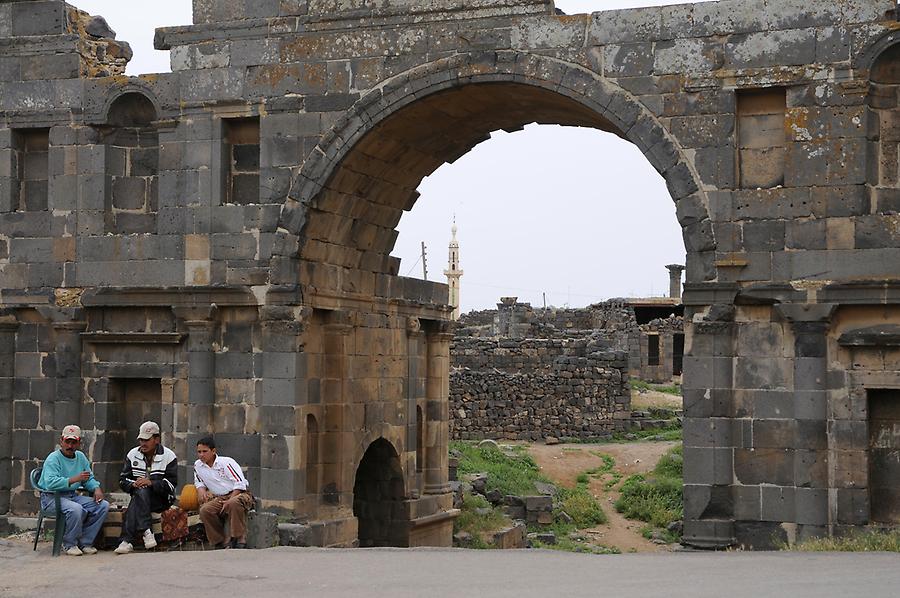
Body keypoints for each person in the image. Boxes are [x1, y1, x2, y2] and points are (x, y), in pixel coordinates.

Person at [37, 425, 110, 556]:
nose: (70, 446)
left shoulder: (80, 457)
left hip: (71, 495)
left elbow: (88, 478)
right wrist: (74, 479)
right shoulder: (53, 458)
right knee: (76, 509)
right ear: (61, 441)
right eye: (67, 442)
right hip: (52, 498)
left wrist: (96, 488)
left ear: (79, 443)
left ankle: (85, 542)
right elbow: (50, 483)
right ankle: (69, 543)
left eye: (73, 442)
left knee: (103, 505)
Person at [114, 421, 177, 555]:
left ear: (156, 439)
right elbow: (122, 480)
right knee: (140, 492)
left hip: (161, 499)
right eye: (141, 439)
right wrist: (133, 484)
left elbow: (171, 484)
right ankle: (146, 532)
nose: (143, 443)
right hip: (140, 496)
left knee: (141, 492)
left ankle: (127, 539)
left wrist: (151, 483)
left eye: (147, 440)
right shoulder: (132, 454)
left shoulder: (169, 456)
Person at [193, 436, 254, 549]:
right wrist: (201, 491)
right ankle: (218, 540)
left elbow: (240, 483)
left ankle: (239, 537)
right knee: (205, 510)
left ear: (213, 451)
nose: (201, 455)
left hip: (239, 493)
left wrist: (230, 499)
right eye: (199, 452)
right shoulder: (198, 465)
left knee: (233, 503)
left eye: (205, 451)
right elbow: (199, 481)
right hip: (219, 496)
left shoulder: (225, 463)